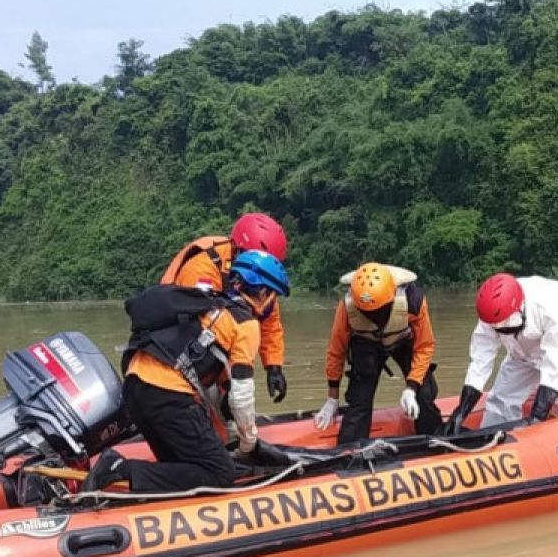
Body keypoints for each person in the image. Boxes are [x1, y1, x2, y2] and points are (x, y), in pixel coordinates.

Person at [82, 251, 290, 494]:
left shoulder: (205, 303)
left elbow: (216, 381)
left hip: (136, 389)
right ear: (264, 293)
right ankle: (118, 469)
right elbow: (242, 395)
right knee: (220, 472)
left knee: (182, 468)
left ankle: (130, 483)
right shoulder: (246, 324)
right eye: (274, 296)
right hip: (168, 395)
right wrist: (250, 443)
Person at [160, 212, 290, 404]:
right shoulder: (203, 267)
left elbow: (269, 321)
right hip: (178, 339)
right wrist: (227, 382)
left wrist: (274, 366)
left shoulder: (258, 279)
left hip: (215, 341)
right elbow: (201, 329)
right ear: (237, 250)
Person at [442, 274, 558, 433]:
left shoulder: (551, 310)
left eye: (505, 328)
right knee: (500, 399)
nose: (500, 331)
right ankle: (492, 440)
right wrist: (461, 411)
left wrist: (537, 415)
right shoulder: (489, 314)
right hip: (519, 352)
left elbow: (555, 364)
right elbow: (480, 362)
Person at [313, 263, 440, 444]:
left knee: (424, 396)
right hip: (366, 343)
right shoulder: (347, 307)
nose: (372, 315)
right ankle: (350, 450)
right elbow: (336, 351)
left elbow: (424, 346)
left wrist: (411, 388)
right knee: (359, 401)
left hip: (403, 340)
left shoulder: (413, 301)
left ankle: (436, 440)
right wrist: (332, 398)